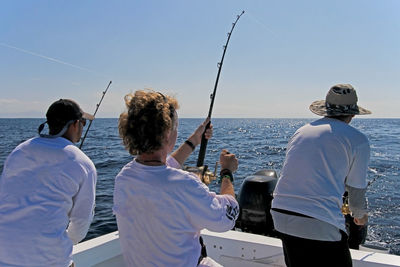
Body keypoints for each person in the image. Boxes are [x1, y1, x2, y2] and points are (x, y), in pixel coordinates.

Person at [113, 90, 239, 267]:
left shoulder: (124, 178)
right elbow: (227, 217)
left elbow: (164, 167)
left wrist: (196, 138)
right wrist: (227, 172)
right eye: (175, 127)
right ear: (166, 133)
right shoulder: (184, 184)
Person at [271, 84, 371, 267]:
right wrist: (360, 217)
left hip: (280, 214)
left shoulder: (301, 131)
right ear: (353, 114)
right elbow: (356, 193)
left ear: (326, 110)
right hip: (318, 222)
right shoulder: (358, 139)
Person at [0, 99, 97, 267]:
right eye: (83, 122)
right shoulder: (83, 163)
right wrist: (65, 243)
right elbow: (81, 222)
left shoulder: (19, 151)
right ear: (74, 124)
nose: (83, 126)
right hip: (50, 261)